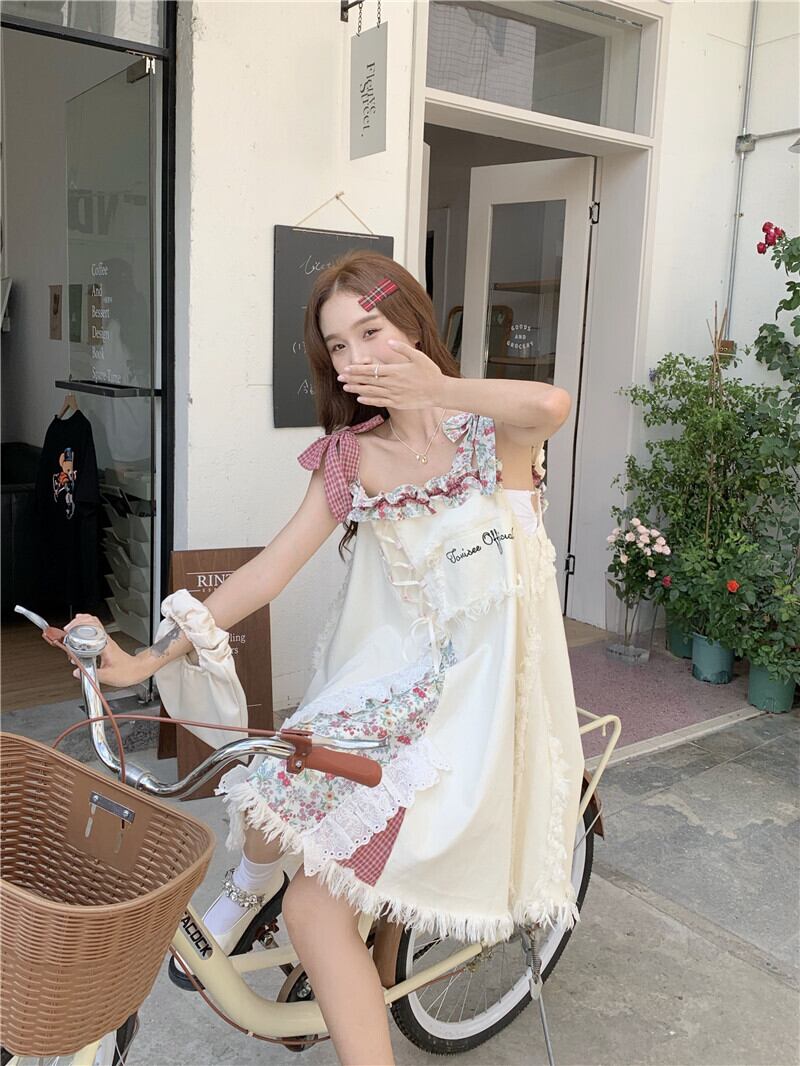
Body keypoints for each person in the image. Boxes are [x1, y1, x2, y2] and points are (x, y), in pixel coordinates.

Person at [62, 251, 584, 1066]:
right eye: (338, 345)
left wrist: (435, 389)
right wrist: (145, 661)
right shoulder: (352, 456)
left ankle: (277, 904)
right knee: (273, 769)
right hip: (392, 697)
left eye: (370, 332)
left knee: (313, 909)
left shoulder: (491, 434)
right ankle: (248, 885)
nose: (354, 358)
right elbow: (268, 570)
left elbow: (551, 403)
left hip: (476, 722)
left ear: (414, 325)